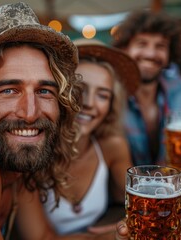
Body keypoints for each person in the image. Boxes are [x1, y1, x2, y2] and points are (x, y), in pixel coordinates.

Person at [0, 2, 132, 240]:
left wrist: (116, 237)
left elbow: (44, 237)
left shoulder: (17, 163)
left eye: (44, 91)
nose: (30, 113)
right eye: (9, 90)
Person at [42, 38, 138, 235]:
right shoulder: (35, 151)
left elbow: (135, 207)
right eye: (80, 89)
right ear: (61, 90)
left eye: (103, 95)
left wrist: (125, 225)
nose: (89, 104)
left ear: (111, 105)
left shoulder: (111, 146)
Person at [111, 9, 181, 166]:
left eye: (160, 46)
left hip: (168, 184)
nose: (151, 53)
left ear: (169, 54)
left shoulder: (176, 87)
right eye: (142, 44)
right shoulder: (109, 93)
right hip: (125, 187)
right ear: (124, 49)